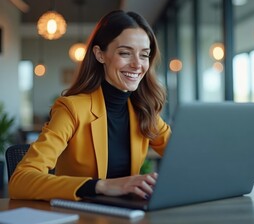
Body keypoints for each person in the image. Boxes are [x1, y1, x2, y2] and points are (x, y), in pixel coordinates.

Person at [9, 10, 171, 201]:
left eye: (144, 55)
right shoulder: (71, 109)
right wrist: (102, 186)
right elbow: (20, 181)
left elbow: (186, 157)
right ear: (100, 55)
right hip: (83, 216)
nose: (137, 64)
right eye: (125, 53)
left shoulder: (143, 110)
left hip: (130, 215)